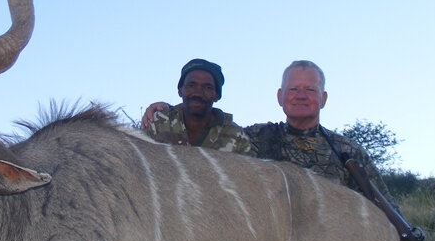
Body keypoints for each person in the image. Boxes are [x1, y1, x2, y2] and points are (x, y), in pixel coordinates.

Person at [142, 59, 394, 204]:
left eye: (310, 90)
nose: (301, 96)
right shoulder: (251, 137)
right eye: (294, 89)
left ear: (324, 98)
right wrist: (163, 110)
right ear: (280, 96)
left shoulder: (348, 151)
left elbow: (385, 205)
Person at [141, 58, 253, 154]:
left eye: (207, 87)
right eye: (191, 85)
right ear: (180, 91)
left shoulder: (236, 136)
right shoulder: (156, 123)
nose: (198, 93)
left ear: (217, 96)